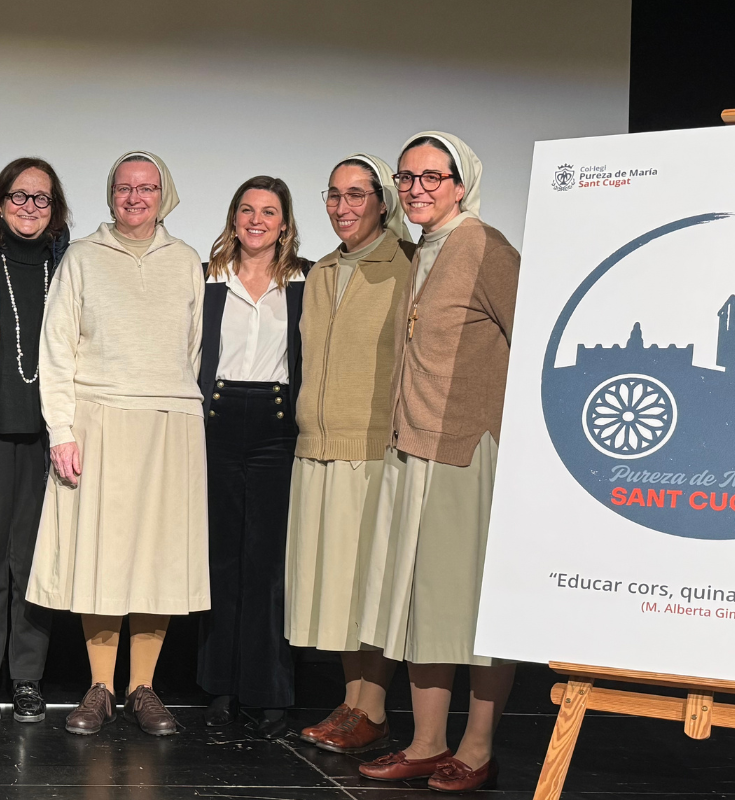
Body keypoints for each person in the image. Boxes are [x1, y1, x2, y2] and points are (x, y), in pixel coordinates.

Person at [355, 132, 519, 794]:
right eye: (407, 177)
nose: (416, 188)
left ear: (460, 183)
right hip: (413, 447)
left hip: (464, 450)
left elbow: (535, 339)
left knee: (473, 607)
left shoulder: (485, 246)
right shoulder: (426, 247)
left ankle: (476, 749)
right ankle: (427, 742)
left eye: (431, 177)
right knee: (421, 603)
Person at [26, 151, 208, 737]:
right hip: (99, 420)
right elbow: (55, 352)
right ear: (111, 196)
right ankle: (101, 686)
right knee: (100, 558)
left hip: (168, 422)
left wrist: (175, 404)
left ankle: (142, 688)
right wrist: (63, 431)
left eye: (147, 187)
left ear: (164, 193)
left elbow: (193, 348)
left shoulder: (185, 262)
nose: (135, 197)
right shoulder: (81, 258)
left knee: (156, 557)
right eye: (124, 188)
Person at [284, 154, 414, 753]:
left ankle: (375, 707)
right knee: (336, 584)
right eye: (334, 195)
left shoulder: (405, 266)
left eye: (356, 195)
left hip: (373, 448)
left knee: (369, 584)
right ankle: (351, 702)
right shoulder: (322, 272)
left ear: (382, 202)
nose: (343, 207)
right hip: (318, 444)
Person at [0, 158, 71, 725]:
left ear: (55, 210)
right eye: (19, 197)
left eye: (42, 199)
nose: (29, 207)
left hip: (49, 433)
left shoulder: (69, 265)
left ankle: (26, 678)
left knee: (33, 563)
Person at [195, 176, 308, 739]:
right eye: (247, 210)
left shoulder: (308, 280)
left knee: (267, 563)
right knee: (221, 560)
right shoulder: (207, 279)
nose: (257, 220)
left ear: (285, 222)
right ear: (233, 217)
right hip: (215, 420)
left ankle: (271, 693)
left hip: (277, 424)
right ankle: (220, 689)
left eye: (269, 212)